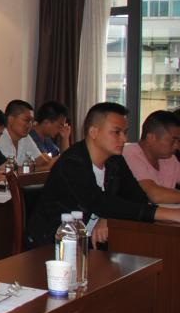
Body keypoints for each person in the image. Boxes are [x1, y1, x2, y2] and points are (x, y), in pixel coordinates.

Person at [27, 103, 180, 248]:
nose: (124, 139)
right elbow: (98, 202)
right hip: (52, 246)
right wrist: (170, 214)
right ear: (94, 132)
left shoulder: (115, 161)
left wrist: (107, 217)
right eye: (116, 132)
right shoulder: (72, 163)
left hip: (89, 245)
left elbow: (137, 198)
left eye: (125, 133)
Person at [123, 110, 180, 204]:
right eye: (173, 141)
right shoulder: (129, 154)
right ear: (151, 138)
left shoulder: (170, 159)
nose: (177, 146)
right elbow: (155, 195)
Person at [0, 100, 51, 170]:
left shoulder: (26, 137)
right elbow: (11, 171)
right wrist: (45, 167)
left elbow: (41, 161)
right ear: (10, 119)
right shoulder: (0, 137)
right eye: (26, 120)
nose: (30, 125)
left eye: (31, 121)